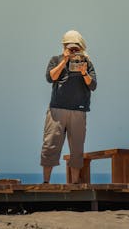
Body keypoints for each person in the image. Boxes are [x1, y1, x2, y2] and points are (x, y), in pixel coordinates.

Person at [40, 30, 97, 183]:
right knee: (50, 146)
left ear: (80, 47)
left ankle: (75, 183)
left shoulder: (87, 62)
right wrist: (63, 62)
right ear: (64, 46)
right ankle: (46, 182)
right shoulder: (55, 59)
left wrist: (84, 73)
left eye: (75, 48)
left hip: (78, 110)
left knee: (77, 149)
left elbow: (93, 85)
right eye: (70, 48)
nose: (72, 51)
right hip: (57, 109)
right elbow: (50, 78)